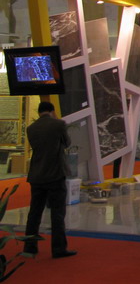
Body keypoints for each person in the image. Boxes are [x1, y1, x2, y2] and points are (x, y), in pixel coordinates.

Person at [23, 101, 77, 259]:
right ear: (52, 111)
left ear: (39, 112)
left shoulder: (31, 128)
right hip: (55, 174)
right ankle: (58, 248)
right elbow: (67, 143)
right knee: (57, 213)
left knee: (34, 213)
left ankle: (30, 246)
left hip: (36, 175)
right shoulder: (59, 124)